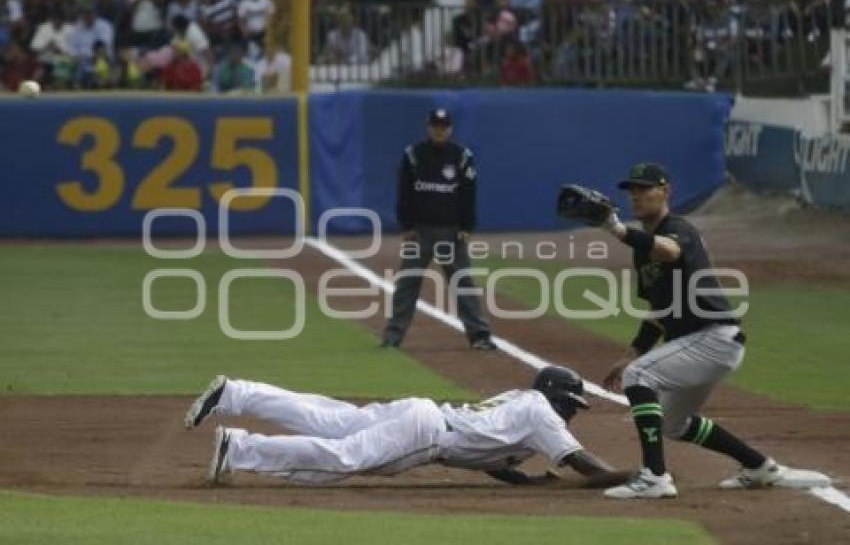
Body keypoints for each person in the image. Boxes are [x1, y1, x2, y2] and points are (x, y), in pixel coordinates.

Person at [593, 162, 830, 498]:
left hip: (712, 338)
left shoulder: (679, 229)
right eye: (632, 191)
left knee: (639, 377)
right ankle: (760, 466)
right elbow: (659, 310)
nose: (637, 196)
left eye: (645, 189)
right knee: (674, 423)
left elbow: (670, 250)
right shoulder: (644, 252)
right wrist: (631, 353)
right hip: (700, 342)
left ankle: (654, 477)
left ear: (666, 192)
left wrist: (618, 230)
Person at [185, 367, 632, 487]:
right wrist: (635, 476)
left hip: (421, 412)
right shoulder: (543, 415)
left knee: (330, 417)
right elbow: (581, 463)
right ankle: (240, 450)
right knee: (344, 459)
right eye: (571, 404)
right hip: (426, 434)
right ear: (557, 397)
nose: (572, 413)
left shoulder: (523, 403)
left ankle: (235, 393)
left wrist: (525, 480)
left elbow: (488, 457)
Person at [381, 109, 496, 350]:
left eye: (443, 126)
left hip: (452, 233)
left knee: (463, 283)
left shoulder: (461, 155)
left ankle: (480, 335)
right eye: (435, 126)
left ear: (450, 129)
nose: (439, 130)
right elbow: (404, 192)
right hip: (420, 231)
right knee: (407, 284)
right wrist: (407, 225)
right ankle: (392, 336)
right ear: (428, 127)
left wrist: (467, 226)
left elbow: (468, 193)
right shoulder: (413, 155)